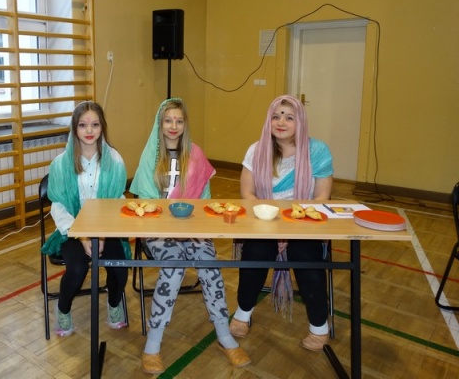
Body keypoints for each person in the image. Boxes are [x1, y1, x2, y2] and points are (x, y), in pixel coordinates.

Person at [130, 97, 251, 374]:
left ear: (185, 125)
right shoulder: (151, 156)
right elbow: (145, 203)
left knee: (210, 266)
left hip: (193, 226)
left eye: (179, 121)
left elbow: (204, 201)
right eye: (168, 120)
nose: (173, 126)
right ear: (160, 124)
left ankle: (224, 335)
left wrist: (191, 228)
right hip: (158, 229)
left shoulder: (195, 154)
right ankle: (153, 345)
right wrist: (170, 226)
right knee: (174, 267)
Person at [230, 95, 334, 351]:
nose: (281, 122)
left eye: (289, 117)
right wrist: (271, 222)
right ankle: (243, 313)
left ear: (301, 121)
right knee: (255, 253)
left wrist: (293, 225)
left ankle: (319, 326)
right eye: (276, 116)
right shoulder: (256, 150)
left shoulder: (318, 151)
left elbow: (322, 198)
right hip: (265, 221)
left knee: (306, 257)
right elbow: (248, 194)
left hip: (303, 223)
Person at [41, 101, 130, 337]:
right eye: (83, 125)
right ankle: (63, 308)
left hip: (106, 228)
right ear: (74, 128)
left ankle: (114, 303)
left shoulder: (115, 160)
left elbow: (116, 200)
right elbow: (58, 206)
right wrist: (82, 235)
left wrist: (102, 235)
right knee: (78, 267)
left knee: (119, 268)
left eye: (95, 125)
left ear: (102, 127)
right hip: (72, 230)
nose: (89, 131)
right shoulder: (61, 164)